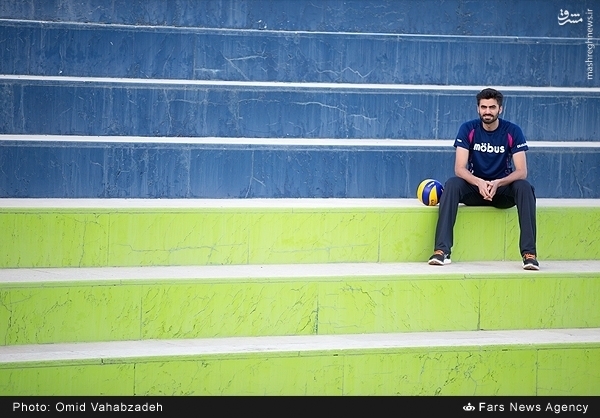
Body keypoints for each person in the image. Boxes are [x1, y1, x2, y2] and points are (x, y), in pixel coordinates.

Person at [428, 88, 539, 270]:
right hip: (475, 189)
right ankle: (441, 251)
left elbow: (521, 171)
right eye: (484, 107)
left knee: (525, 187)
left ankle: (529, 254)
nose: (488, 111)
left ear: (500, 109)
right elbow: (459, 168)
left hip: (501, 192)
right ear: (478, 108)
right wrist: (479, 182)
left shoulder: (512, 131)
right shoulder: (468, 129)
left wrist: (498, 183)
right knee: (452, 184)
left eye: (492, 107)